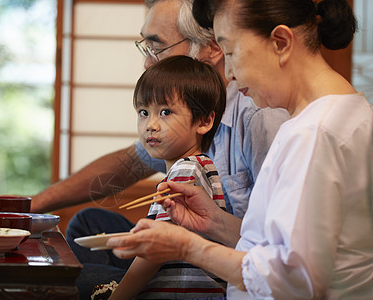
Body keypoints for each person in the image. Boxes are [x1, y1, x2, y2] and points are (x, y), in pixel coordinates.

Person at [107, 0, 373, 299]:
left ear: (281, 43)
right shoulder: (348, 111)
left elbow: (294, 279)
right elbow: (279, 249)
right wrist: (214, 222)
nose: (229, 73)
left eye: (231, 53)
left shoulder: (315, 132)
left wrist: (185, 246)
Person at [34, 0, 288, 297]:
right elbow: (129, 163)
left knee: (70, 278)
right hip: (188, 258)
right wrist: (33, 206)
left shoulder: (259, 117)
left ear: (212, 47)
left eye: (157, 47)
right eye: (143, 113)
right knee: (88, 223)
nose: (146, 62)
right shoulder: (176, 128)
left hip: (221, 273)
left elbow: (276, 244)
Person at [111, 55, 227, 299]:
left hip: (182, 294)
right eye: (143, 112)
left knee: (76, 277)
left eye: (165, 112)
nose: (151, 125)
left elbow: (153, 255)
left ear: (204, 120)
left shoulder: (187, 170)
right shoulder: (196, 165)